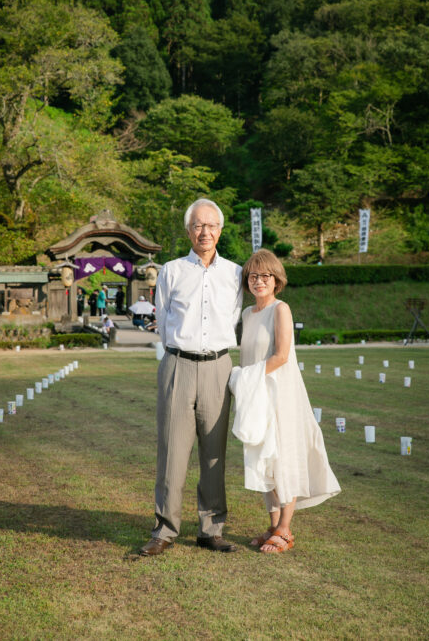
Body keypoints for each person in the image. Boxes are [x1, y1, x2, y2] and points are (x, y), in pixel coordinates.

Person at [139, 198, 242, 557]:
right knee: (172, 450)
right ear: (188, 231)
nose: (204, 232)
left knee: (214, 453)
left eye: (211, 225)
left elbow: (233, 317)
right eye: (198, 225)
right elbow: (164, 319)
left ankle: (211, 529)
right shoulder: (171, 271)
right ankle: (164, 530)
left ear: (220, 231)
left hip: (218, 367)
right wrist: (180, 352)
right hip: (178, 365)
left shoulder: (235, 273)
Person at [229, 249, 340, 553]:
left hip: (281, 394)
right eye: (253, 276)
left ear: (276, 279)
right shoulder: (246, 314)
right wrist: (245, 385)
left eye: (265, 276)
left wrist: (246, 377)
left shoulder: (281, 309)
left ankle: (285, 530)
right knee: (262, 456)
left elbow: (281, 356)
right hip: (256, 396)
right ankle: (273, 524)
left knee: (283, 458)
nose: (259, 281)